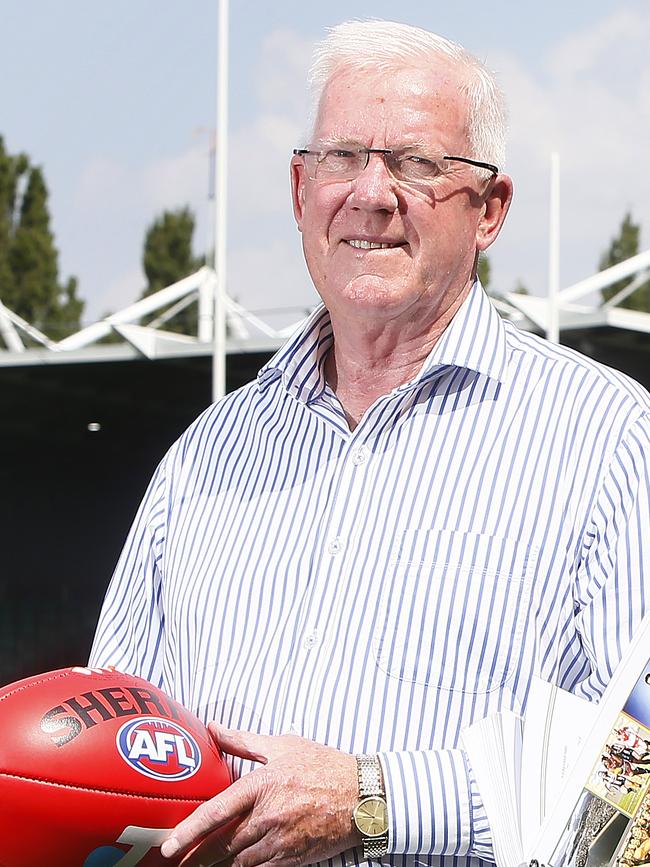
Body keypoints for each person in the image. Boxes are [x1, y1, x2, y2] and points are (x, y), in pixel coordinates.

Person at [89, 19, 650, 867]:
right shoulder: (203, 458)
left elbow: (640, 787)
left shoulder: (609, 439)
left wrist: (377, 799)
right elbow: (109, 755)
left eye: (417, 164)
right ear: (298, 190)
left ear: (491, 208)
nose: (371, 193)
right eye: (341, 157)